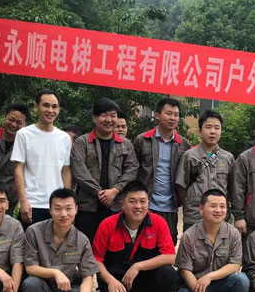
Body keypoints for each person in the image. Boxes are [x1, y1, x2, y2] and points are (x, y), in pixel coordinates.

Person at [92, 181, 177, 292]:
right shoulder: (107, 224)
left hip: (144, 281)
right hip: (116, 283)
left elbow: (170, 256)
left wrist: (138, 266)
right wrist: (110, 280)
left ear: (148, 203)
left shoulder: (158, 222)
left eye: (142, 201)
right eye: (132, 201)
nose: (138, 206)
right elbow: (96, 260)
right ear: (122, 204)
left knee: (169, 273)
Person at [19, 189, 100, 292]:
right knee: (30, 283)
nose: (63, 214)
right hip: (42, 290)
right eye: (58, 208)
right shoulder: (34, 232)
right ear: (50, 210)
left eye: (68, 208)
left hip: (67, 291)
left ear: (76, 209)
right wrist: (55, 272)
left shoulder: (82, 240)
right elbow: (30, 268)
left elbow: (88, 276)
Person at [175, 189, 249, 292]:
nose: (218, 210)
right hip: (192, 287)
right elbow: (184, 270)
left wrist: (209, 276)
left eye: (222, 206)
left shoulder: (233, 233)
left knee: (242, 280)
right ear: (201, 209)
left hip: (218, 285)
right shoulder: (189, 236)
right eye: (213, 206)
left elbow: (235, 265)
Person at [70, 98, 139, 242]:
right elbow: (79, 171)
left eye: (113, 115)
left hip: (116, 207)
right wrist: (99, 193)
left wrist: (115, 190)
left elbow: (132, 169)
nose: (109, 120)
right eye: (104, 115)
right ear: (95, 118)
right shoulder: (82, 142)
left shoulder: (126, 144)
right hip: (88, 207)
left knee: (114, 247)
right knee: (85, 246)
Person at [11, 89, 72, 230]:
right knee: (30, 242)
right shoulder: (24, 134)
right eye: (46, 105)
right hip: (32, 204)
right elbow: (18, 169)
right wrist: (23, 201)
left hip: (57, 206)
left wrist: (67, 202)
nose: (50, 110)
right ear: (36, 107)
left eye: (54, 106)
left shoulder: (64, 138)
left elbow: (66, 171)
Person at [133, 98, 190, 245]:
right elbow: (133, 171)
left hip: (171, 206)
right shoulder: (142, 140)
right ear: (157, 115)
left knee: (168, 244)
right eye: (168, 113)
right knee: (143, 244)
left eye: (176, 115)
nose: (173, 118)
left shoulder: (183, 144)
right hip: (146, 204)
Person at [175, 110, 235, 232]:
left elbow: (233, 188)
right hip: (194, 216)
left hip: (219, 218)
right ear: (200, 131)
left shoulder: (228, 158)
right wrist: (190, 203)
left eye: (217, 128)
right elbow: (181, 186)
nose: (213, 131)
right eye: (208, 127)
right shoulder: (189, 156)